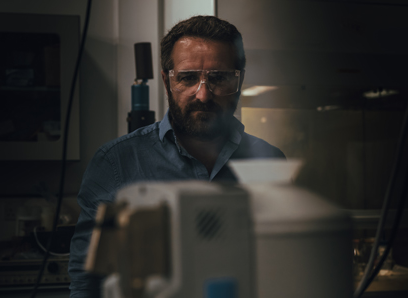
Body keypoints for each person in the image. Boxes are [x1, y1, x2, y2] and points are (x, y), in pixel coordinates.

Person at [68, 15, 285, 297]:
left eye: (218, 78)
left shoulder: (269, 161)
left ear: (239, 79)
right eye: (188, 78)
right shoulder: (117, 162)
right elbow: (88, 282)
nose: (203, 94)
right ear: (167, 80)